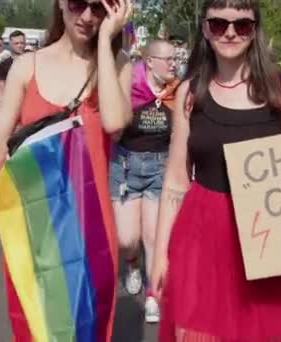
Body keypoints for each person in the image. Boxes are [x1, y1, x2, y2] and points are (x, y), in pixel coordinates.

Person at [150, 1, 281, 341]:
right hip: (203, 235)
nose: (230, 32)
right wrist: (159, 253)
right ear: (205, 28)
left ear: (255, 29)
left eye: (241, 25)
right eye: (219, 24)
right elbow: (175, 181)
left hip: (267, 236)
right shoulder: (188, 92)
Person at [0, 0, 132, 340]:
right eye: (79, 4)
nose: (87, 16)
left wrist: (109, 43)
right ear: (61, 4)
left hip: (90, 228)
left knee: (86, 330)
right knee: (35, 328)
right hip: (33, 227)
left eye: (99, 8)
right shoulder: (27, 67)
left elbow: (113, 120)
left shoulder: (117, 64)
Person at [111, 39, 178, 324]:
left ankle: (153, 296)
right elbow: (111, 128)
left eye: (175, 59)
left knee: (154, 237)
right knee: (128, 239)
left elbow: (180, 133)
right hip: (126, 166)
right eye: (168, 60)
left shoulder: (175, 90)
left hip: (159, 167)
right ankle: (132, 263)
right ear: (149, 61)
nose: (173, 65)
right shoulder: (129, 86)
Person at [0, 30, 26, 101]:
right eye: (16, 43)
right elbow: (1, 87)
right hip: (11, 102)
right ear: (10, 44)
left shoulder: (32, 62)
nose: (19, 45)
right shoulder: (4, 64)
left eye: (22, 43)